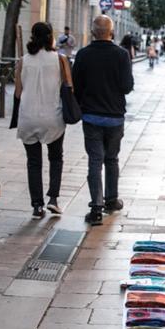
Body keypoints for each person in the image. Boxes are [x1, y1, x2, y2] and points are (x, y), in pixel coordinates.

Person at [72, 15, 133, 225]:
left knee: (95, 161)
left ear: (92, 31)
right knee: (112, 159)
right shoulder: (122, 55)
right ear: (111, 32)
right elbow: (127, 86)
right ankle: (112, 199)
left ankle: (96, 208)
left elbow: (76, 87)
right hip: (115, 117)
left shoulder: (83, 55)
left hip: (91, 116)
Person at [14, 22, 68, 219]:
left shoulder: (23, 60)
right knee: (55, 158)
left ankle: (37, 205)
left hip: (28, 116)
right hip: (52, 116)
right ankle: (53, 199)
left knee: (33, 162)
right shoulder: (60, 59)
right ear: (50, 37)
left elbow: (18, 93)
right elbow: (69, 86)